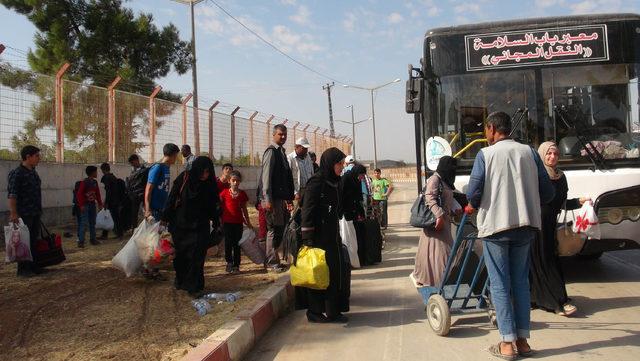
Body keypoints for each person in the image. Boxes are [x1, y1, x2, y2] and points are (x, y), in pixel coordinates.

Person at [465, 111, 554, 360]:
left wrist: (476, 202)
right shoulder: (529, 152)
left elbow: (473, 193)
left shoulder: (486, 155)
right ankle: (523, 341)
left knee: (500, 285)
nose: (486, 134)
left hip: (496, 227)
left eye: (486, 129)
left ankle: (506, 343)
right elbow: (547, 193)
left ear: (492, 129)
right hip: (526, 226)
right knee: (521, 283)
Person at [530, 141, 589, 316]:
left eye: (555, 154)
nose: (552, 157)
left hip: (550, 226)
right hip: (535, 225)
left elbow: (561, 204)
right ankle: (557, 301)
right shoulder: (535, 176)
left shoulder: (560, 177)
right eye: (548, 154)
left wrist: (579, 202)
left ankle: (542, 299)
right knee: (540, 262)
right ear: (541, 155)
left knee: (548, 260)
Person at [296, 147, 349, 323]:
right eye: (339, 163)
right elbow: (307, 211)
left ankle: (333, 310)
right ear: (330, 163)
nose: (342, 166)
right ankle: (314, 312)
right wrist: (307, 238)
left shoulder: (335, 182)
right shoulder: (316, 182)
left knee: (334, 274)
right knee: (317, 274)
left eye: (342, 163)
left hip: (332, 237)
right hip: (316, 239)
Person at [162, 156, 220, 296]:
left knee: (197, 257)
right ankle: (181, 281)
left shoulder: (210, 184)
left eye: (208, 172)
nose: (205, 175)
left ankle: (194, 286)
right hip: (180, 226)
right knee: (181, 256)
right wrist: (165, 218)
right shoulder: (185, 178)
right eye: (203, 171)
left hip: (200, 227)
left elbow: (214, 205)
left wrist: (217, 221)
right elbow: (172, 197)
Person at [410, 156, 458, 294]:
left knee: (438, 254)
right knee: (441, 254)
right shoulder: (435, 179)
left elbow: (448, 199)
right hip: (436, 224)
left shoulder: (445, 181)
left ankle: (437, 280)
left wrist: (454, 210)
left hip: (444, 223)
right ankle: (438, 282)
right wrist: (438, 215)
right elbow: (429, 198)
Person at [257, 124, 294, 272]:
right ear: (274, 135)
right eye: (280, 134)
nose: (283, 137)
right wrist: (267, 199)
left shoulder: (281, 152)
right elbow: (266, 178)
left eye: (285, 134)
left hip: (280, 198)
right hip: (272, 199)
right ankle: (272, 262)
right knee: (273, 229)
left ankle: (275, 260)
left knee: (280, 228)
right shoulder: (271, 152)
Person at [144, 143, 180, 280]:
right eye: (176, 155)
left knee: (159, 241)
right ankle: (150, 269)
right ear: (171, 155)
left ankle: (153, 268)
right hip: (154, 211)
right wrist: (148, 210)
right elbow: (149, 189)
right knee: (154, 242)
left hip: (162, 210)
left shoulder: (167, 168)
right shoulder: (157, 168)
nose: (176, 159)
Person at [7, 145, 44, 277]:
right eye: (37, 156)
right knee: (23, 242)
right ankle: (23, 270)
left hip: (35, 212)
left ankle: (33, 266)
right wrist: (13, 213)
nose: (39, 158)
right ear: (28, 157)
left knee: (33, 240)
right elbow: (12, 195)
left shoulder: (33, 172)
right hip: (23, 213)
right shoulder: (17, 173)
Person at [219, 170, 253, 274]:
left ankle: (236, 265)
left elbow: (244, 209)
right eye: (233, 180)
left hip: (238, 223)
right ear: (229, 181)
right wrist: (220, 221)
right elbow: (219, 208)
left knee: (237, 244)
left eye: (237, 181)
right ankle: (229, 262)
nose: (235, 183)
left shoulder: (242, 194)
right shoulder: (224, 193)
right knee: (228, 243)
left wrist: (248, 222)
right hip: (227, 223)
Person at [76, 166, 104, 248]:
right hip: (86, 205)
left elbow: (97, 194)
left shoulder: (94, 182)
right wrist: (81, 205)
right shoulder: (85, 182)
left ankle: (93, 239)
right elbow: (79, 194)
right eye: (95, 172)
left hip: (92, 204)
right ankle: (81, 241)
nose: (97, 173)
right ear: (92, 173)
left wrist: (100, 203)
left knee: (92, 222)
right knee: (84, 223)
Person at [99, 163, 125, 239]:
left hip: (112, 202)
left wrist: (106, 202)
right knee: (111, 217)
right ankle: (108, 234)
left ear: (103, 170)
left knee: (113, 217)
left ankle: (118, 234)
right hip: (116, 201)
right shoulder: (113, 177)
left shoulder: (107, 178)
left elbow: (109, 191)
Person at [288, 137, 314, 203]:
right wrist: (295, 193)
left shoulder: (308, 157)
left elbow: (311, 173)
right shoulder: (290, 158)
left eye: (306, 148)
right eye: (304, 148)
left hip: (308, 190)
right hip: (298, 192)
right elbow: (288, 178)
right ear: (297, 147)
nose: (306, 150)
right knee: (296, 212)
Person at [126, 154, 146, 230]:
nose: (132, 164)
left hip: (142, 193)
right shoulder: (133, 170)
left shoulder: (144, 170)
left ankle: (146, 228)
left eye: (132, 162)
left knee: (145, 211)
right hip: (135, 195)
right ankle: (134, 229)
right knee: (134, 213)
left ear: (136, 160)